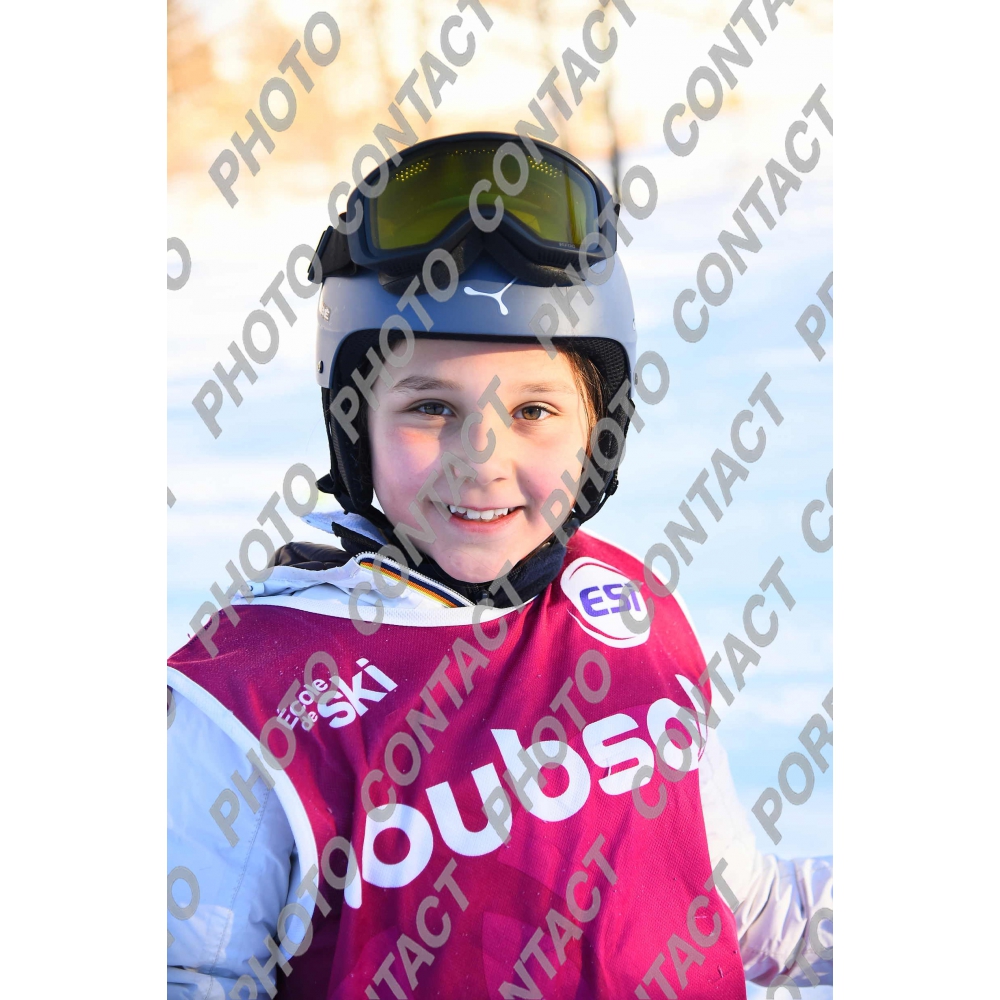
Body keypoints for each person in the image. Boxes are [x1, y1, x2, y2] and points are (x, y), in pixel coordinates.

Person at [168, 133, 832, 999]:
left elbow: (737, 911)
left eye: (533, 411)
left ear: (598, 431)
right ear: (354, 424)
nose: (480, 457)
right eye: (430, 408)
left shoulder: (628, 613)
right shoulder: (255, 701)